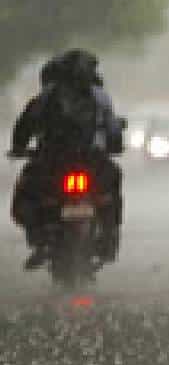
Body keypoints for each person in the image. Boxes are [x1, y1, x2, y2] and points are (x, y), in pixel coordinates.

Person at [10, 50, 124, 269]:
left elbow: (24, 127)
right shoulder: (100, 97)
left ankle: (41, 240)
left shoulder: (44, 98)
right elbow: (113, 129)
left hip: (52, 162)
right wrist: (114, 147)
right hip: (92, 162)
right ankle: (109, 237)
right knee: (113, 185)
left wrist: (19, 149)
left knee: (27, 192)